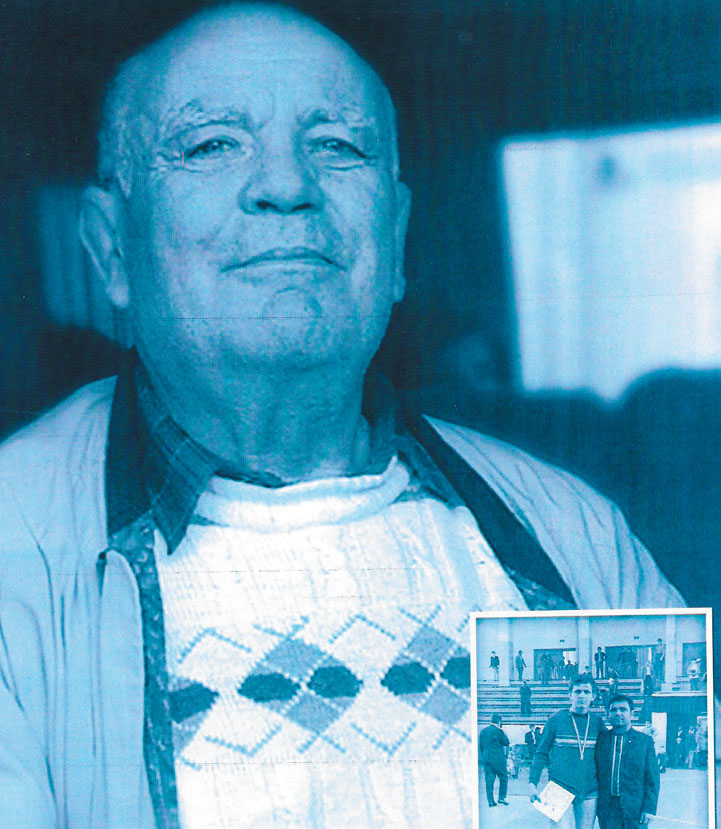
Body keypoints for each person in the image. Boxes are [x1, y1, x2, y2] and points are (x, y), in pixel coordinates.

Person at [0, 2, 685, 826]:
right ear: (111, 248)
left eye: (337, 146)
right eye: (212, 144)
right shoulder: (15, 554)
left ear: (394, 240)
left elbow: (655, 808)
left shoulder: (572, 536)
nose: (287, 185)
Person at [529, 674, 604, 828]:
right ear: (570, 695)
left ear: (593, 696)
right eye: (577, 691)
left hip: (589, 789)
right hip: (558, 788)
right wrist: (532, 783)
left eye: (586, 691)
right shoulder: (556, 719)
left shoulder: (598, 723)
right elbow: (541, 753)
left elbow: (604, 757)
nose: (581, 695)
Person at [595, 695, 660, 828]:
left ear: (632, 714)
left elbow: (652, 777)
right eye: (614, 710)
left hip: (636, 808)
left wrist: (649, 808)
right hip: (608, 809)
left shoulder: (644, 741)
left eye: (623, 709)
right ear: (608, 714)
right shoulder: (601, 740)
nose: (618, 713)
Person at [479, 714, 510, 808]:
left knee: (489, 781)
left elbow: (481, 746)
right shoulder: (498, 731)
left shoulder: (483, 731)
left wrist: (484, 757)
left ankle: (491, 801)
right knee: (503, 777)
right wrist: (503, 732)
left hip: (487, 759)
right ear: (499, 721)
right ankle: (501, 798)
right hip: (498, 760)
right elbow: (506, 742)